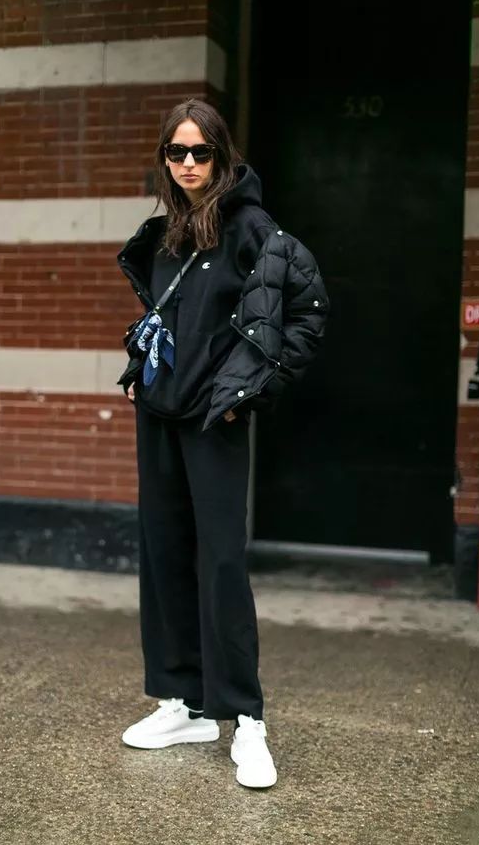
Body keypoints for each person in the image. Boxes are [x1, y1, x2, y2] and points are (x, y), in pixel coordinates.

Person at [116, 98, 329, 789]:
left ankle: (247, 721)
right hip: (159, 415)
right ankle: (182, 704)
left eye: (199, 152)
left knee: (222, 565)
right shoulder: (167, 234)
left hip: (214, 421)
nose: (187, 164)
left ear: (221, 155)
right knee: (163, 555)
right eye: (175, 152)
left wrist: (250, 392)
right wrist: (138, 371)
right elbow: (169, 321)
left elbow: (307, 313)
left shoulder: (252, 230)